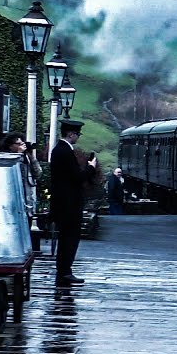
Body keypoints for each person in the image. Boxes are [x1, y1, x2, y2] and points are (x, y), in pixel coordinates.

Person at [50, 120, 97, 286]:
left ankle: (64, 271)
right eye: (78, 134)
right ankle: (65, 272)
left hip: (64, 203)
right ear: (71, 134)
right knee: (69, 239)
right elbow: (77, 177)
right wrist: (91, 167)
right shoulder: (64, 151)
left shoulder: (59, 150)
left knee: (67, 238)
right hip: (68, 205)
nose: (78, 137)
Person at [1, 132, 41, 216]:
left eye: (22, 143)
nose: (21, 146)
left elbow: (38, 173)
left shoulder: (27, 157)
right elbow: (12, 171)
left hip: (26, 200)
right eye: (18, 144)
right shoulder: (6, 157)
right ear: (10, 146)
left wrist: (31, 157)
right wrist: (18, 155)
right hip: (12, 200)